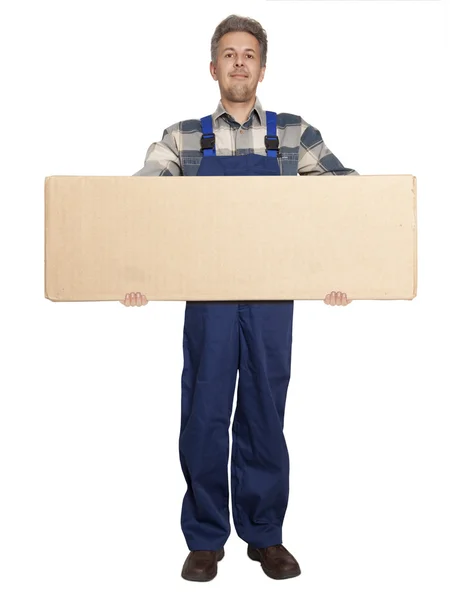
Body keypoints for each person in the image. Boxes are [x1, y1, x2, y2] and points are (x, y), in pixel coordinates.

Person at [121, 14, 357, 581]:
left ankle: (265, 534)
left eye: (248, 54)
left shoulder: (296, 135)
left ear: (262, 68)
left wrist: (348, 271)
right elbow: (133, 208)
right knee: (203, 414)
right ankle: (205, 539)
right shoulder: (181, 138)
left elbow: (352, 204)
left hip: (274, 296)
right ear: (212, 67)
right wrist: (127, 272)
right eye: (229, 53)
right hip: (208, 297)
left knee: (263, 414)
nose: (239, 62)